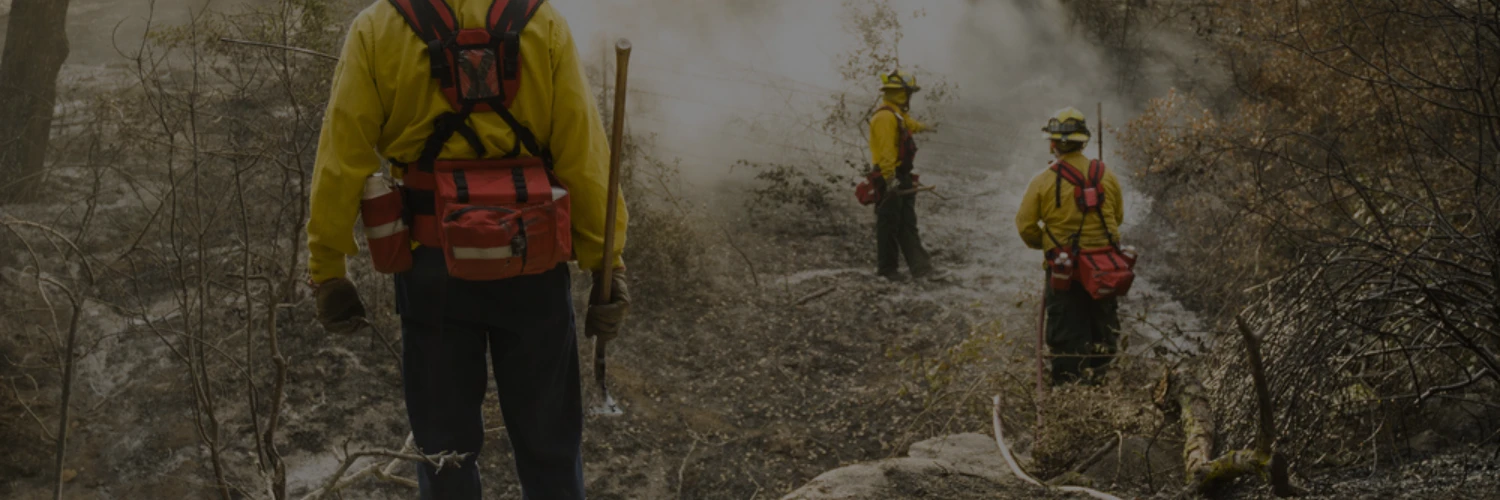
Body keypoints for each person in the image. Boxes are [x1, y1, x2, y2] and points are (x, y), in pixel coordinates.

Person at [305, 0, 629, 498]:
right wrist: (609, 259)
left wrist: (328, 268)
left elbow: (341, 155)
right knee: (550, 448)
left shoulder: (378, 28)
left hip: (433, 275)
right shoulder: (541, 23)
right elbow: (582, 152)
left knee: (444, 456)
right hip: (533, 263)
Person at [1015, 107, 1124, 385]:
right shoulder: (1107, 175)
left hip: (1065, 273)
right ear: (1082, 141)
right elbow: (1118, 218)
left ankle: (1068, 397)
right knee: (1104, 335)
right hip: (1105, 272)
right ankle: (1100, 389)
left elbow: (1026, 226)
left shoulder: (1042, 181)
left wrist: (1050, 246)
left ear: (1053, 144)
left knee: (1066, 341)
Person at [869, 70, 934, 281]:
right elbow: (887, 152)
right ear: (902, 93)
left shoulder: (895, 113)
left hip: (902, 175)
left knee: (907, 222)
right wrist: (889, 180)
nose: (910, 97)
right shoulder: (884, 118)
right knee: (888, 224)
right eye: (909, 93)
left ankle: (921, 268)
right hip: (890, 176)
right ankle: (887, 271)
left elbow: (909, 124)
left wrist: (928, 128)